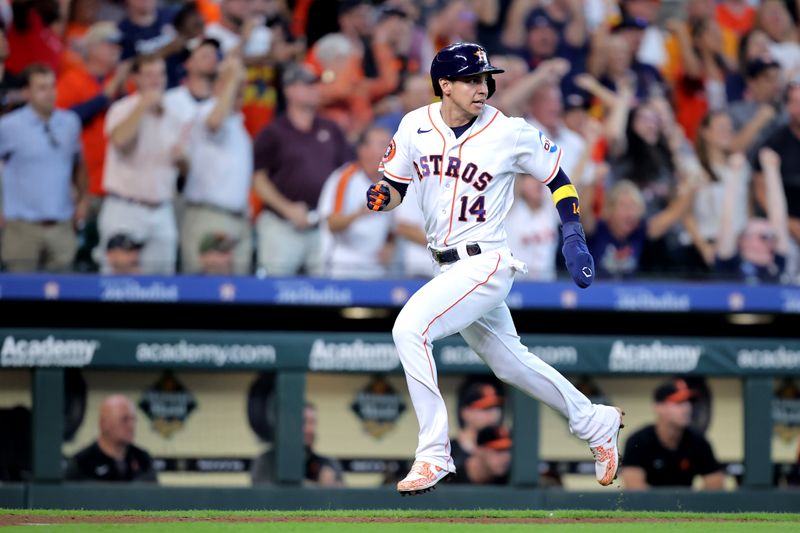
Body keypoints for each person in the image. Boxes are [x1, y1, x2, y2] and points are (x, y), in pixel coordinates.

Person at [366, 42, 623, 496]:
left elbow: (558, 179)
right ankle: (595, 422)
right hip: (445, 267)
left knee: (409, 329)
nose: (482, 86)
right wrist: (384, 196)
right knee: (511, 364)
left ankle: (433, 453)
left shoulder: (510, 131)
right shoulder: (414, 125)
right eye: (470, 79)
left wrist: (573, 234)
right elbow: (396, 183)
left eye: (485, 78)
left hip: (486, 261)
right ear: (444, 85)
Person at [252, 63, 351, 276]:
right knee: (274, 291)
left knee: (326, 293)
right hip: (281, 224)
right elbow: (258, 179)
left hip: (321, 225)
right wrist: (287, 208)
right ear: (288, 90)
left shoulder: (330, 129)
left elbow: (346, 172)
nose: (315, 89)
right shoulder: (273, 132)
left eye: (315, 84)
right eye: (307, 84)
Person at [97, 53, 189, 274]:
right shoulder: (122, 109)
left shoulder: (175, 116)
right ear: (135, 78)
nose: (156, 81)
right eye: (149, 75)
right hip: (125, 208)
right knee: (116, 285)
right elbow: (119, 140)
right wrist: (142, 106)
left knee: (162, 287)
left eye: (160, 74)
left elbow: (184, 169)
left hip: (162, 210)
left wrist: (183, 160)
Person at [0, 63, 85, 272]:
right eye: (41, 88)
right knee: (20, 293)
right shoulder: (9, 126)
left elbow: (78, 164)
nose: (49, 93)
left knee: (64, 291)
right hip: (21, 226)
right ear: (26, 93)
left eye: (52, 86)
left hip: (62, 225)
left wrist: (84, 198)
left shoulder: (70, 122)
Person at [317, 125, 395, 279]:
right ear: (363, 150)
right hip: (343, 264)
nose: (389, 151)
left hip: (376, 267)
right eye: (382, 145)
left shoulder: (393, 182)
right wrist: (359, 213)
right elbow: (331, 223)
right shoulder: (345, 177)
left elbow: (394, 226)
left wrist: (390, 245)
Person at [621, 379, 725, 490]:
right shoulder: (638, 441)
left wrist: (691, 503)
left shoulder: (699, 442)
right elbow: (635, 488)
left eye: (689, 402)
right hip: (649, 507)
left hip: (686, 506)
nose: (687, 408)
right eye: (679, 402)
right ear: (659, 407)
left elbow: (715, 485)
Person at [65, 395, 157, 482]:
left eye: (133, 420)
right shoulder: (82, 463)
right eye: (124, 419)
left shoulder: (144, 461)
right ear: (103, 423)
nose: (131, 426)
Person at [251, 402, 344, 487]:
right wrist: (321, 487)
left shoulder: (328, 464)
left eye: (313, 422)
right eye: (304, 422)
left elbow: (343, 498)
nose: (310, 429)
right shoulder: (267, 462)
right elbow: (270, 497)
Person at [450, 381, 504, 474]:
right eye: (486, 408)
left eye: (497, 408)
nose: (494, 414)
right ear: (465, 412)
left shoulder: (505, 452)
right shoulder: (445, 452)